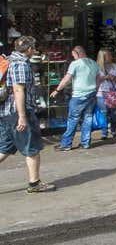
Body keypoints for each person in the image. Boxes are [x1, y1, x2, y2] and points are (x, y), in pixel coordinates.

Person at [0, 36, 55, 193]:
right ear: (30, 49)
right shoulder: (20, 64)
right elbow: (18, 90)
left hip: (6, 112)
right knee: (32, 148)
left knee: (4, 148)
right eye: (34, 47)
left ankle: (35, 183)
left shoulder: (9, 60)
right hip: (17, 112)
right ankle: (34, 184)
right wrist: (22, 116)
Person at [51, 46, 98, 151]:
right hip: (91, 94)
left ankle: (66, 144)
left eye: (73, 56)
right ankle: (85, 143)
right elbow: (98, 78)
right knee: (88, 117)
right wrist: (96, 90)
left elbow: (67, 79)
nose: (73, 58)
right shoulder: (93, 63)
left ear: (77, 53)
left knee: (73, 119)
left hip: (79, 95)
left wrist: (57, 90)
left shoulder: (75, 64)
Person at [96, 49, 116, 140]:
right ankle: (104, 133)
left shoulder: (114, 66)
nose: (111, 56)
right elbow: (96, 79)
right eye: (109, 55)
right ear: (103, 57)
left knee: (114, 113)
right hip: (102, 92)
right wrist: (105, 77)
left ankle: (113, 130)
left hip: (114, 92)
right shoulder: (97, 67)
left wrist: (115, 78)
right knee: (104, 113)